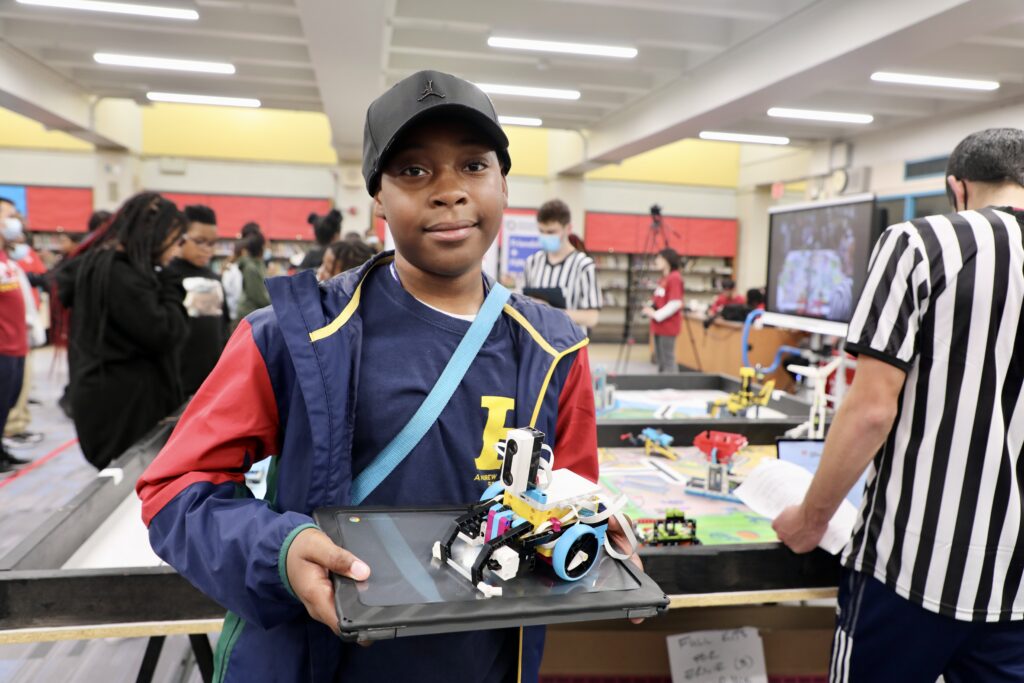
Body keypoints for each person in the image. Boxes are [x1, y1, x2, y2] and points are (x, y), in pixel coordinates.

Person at [136, 70, 637, 683]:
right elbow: (176, 489)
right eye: (413, 171)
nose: (449, 191)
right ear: (377, 195)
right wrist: (281, 550)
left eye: (474, 165)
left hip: (481, 662)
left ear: (505, 183)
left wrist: (591, 532)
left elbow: (566, 486)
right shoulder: (295, 335)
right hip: (319, 661)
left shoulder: (554, 349)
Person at [772, 127, 1024, 683]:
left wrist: (811, 519)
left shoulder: (921, 243)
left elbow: (870, 411)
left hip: (914, 567)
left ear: (957, 187)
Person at [57, 192, 189, 470]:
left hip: (109, 402)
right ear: (156, 233)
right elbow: (165, 331)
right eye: (176, 240)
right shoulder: (122, 276)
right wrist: (171, 284)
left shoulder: (103, 267)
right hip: (123, 412)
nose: (177, 250)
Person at [164, 205, 230, 396]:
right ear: (181, 238)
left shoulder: (214, 278)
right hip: (177, 383)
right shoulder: (166, 276)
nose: (207, 249)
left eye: (212, 243)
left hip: (212, 382)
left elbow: (222, 328)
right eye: (200, 241)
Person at [522, 199, 602, 330]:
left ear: (568, 229)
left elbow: (592, 317)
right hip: (536, 345)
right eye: (541, 231)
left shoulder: (583, 266)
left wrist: (550, 312)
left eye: (551, 232)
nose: (545, 236)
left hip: (570, 345)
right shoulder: (532, 262)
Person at [0, 199, 31, 471]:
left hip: (16, 343)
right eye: (7, 216)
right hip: (3, 345)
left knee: (7, 403)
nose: (13, 222)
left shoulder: (7, 261)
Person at [641, 248, 684, 374]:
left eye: (659, 258)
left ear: (667, 260)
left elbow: (675, 303)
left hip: (668, 325)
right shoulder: (664, 278)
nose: (656, 261)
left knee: (668, 360)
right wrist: (650, 307)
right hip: (658, 325)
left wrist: (655, 314)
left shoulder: (675, 278)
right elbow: (659, 298)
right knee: (660, 360)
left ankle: (672, 388)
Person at [234, 231, 270, 320]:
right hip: (249, 312)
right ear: (261, 247)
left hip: (255, 311)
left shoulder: (259, 264)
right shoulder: (251, 268)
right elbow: (258, 296)